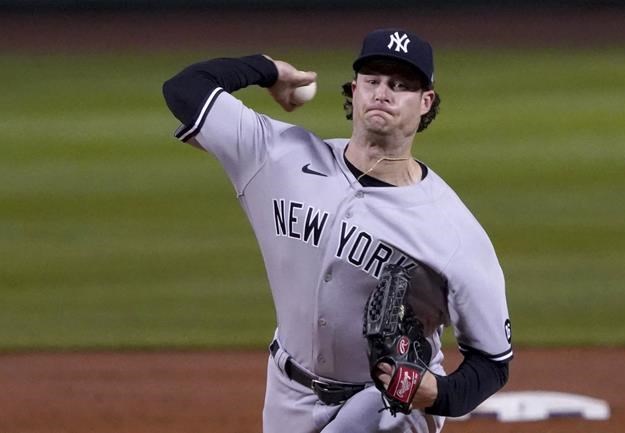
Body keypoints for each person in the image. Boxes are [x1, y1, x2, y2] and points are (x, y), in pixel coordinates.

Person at [163, 28, 513, 433]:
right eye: (373, 80)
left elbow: (492, 361)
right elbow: (185, 89)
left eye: (401, 85)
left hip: (387, 406)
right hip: (286, 393)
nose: (383, 92)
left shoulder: (452, 231)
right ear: (354, 89)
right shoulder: (277, 157)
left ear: (425, 102)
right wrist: (268, 70)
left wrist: (439, 394)